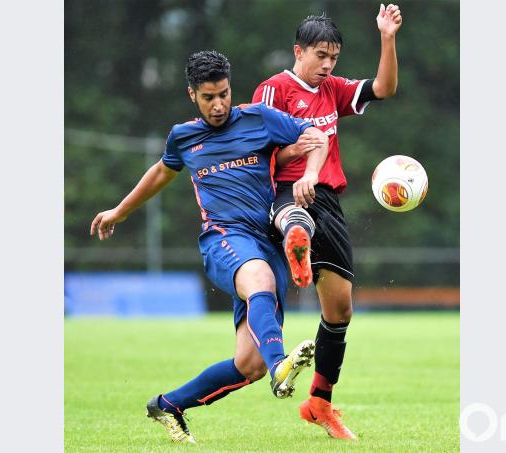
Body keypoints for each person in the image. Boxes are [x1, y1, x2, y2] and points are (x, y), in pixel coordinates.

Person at [90, 50, 329, 444]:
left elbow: (316, 137)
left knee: (247, 364)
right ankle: (281, 367)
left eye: (223, 94)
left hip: (265, 240)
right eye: (208, 97)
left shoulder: (259, 118)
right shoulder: (183, 137)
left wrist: (311, 173)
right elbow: (160, 174)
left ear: (230, 88)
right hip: (222, 239)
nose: (218, 105)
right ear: (192, 95)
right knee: (259, 279)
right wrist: (120, 210)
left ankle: (168, 404)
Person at [251, 5, 403, 440]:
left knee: (340, 311)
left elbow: (383, 88)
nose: (328, 65)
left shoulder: (332, 89)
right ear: (299, 51)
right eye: (321, 56)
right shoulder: (272, 90)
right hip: (283, 192)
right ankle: (294, 232)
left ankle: (319, 403)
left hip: (328, 201)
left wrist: (387, 37)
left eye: (334, 58)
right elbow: (256, 157)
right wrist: (300, 158)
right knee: (297, 210)